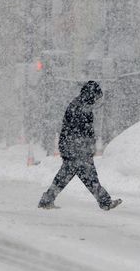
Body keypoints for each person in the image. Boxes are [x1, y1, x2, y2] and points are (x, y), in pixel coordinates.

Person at [38, 81, 122, 211]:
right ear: (91, 95)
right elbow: (80, 132)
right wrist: (85, 148)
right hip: (76, 150)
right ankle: (105, 202)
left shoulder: (79, 105)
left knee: (69, 177)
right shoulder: (80, 108)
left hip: (74, 149)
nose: (96, 101)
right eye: (96, 97)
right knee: (88, 178)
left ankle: (47, 200)